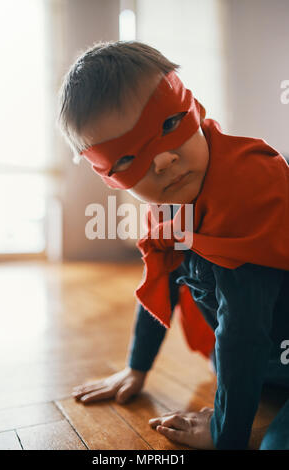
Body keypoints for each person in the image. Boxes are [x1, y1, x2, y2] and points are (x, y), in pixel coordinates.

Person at [58, 40, 289, 450]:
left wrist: (225, 433)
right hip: (270, 363)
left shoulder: (251, 191)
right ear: (109, 176)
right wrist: (137, 367)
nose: (163, 161)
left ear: (195, 108)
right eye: (127, 159)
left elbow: (244, 329)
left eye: (168, 125)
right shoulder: (172, 204)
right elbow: (164, 275)